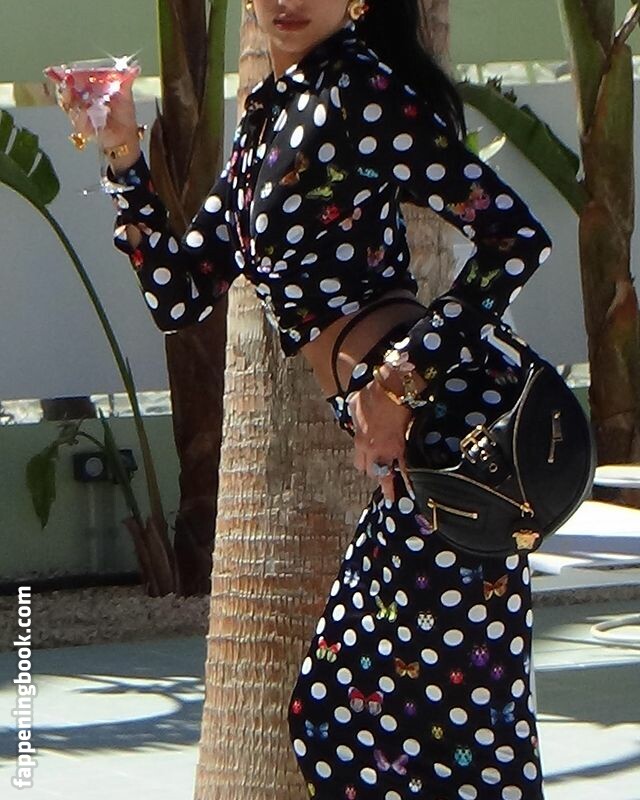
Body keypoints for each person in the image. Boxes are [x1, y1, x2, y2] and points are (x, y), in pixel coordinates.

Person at [66, 1, 551, 797]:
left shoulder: (362, 93)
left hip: (446, 443)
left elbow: (516, 238)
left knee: (423, 725)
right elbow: (179, 295)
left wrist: (398, 384)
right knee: (367, 716)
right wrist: (123, 152)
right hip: (412, 455)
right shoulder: (270, 114)